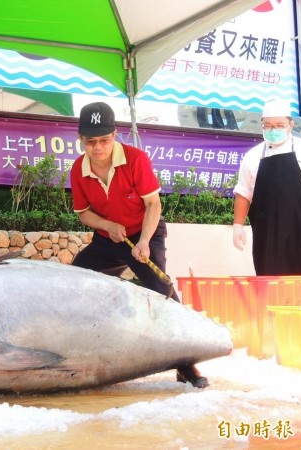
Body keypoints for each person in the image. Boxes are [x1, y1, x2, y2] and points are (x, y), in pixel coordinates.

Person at [70, 102, 209, 389]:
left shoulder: (135, 159)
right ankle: (88, 354)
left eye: (104, 140)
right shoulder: (78, 169)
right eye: (91, 141)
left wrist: (144, 242)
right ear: (80, 138)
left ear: (115, 135)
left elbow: (153, 204)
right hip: (110, 237)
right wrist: (107, 226)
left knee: (161, 292)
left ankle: (186, 364)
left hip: (145, 232)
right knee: (78, 277)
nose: (97, 148)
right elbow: (84, 213)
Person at [233, 99, 301, 275]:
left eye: (279, 125)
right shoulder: (252, 156)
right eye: (268, 126)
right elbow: (244, 193)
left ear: (291, 124)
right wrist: (237, 225)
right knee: (271, 285)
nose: (274, 130)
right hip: (268, 239)